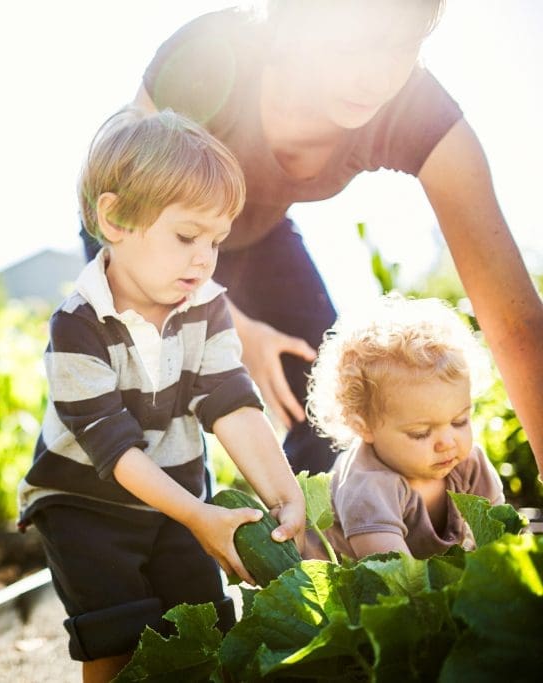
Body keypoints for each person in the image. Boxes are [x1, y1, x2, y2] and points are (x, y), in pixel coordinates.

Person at [81, 0, 543, 477]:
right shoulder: (212, 57)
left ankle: (317, 539)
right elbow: (124, 209)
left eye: (402, 47)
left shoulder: (419, 111)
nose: (376, 77)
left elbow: (516, 324)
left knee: (331, 403)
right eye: (349, 43)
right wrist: (230, 325)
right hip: (137, 236)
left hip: (258, 239)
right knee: (150, 402)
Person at [18, 106, 306, 683]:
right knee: (115, 640)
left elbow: (231, 402)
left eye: (217, 241)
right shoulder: (76, 326)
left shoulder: (207, 308)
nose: (204, 258)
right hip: (85, 505)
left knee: (200, 629)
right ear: (117, 218)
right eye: (186, 236)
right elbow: (114, 448)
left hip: (177, 495)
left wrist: (283, 493)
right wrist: (198, 516)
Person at [305, 295, 504, 560]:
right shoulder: (367, 485)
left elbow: (504, 539)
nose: (447, 441)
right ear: (363, 427)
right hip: (362, 582)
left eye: (460, 422)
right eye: (420, 433)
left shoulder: (469, 464)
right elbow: (393, 579)